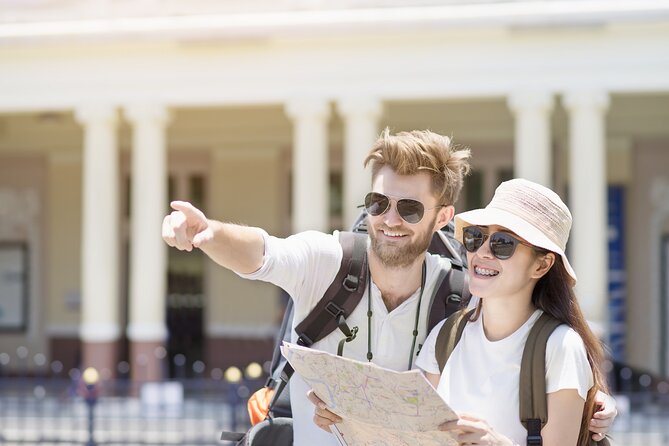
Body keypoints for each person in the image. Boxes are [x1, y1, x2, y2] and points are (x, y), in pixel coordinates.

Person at [162, 129, 616, 446]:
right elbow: (265, 252)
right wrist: (211, 234)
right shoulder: (332, 262)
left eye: (410, 209)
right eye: (378, 202)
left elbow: (536, 354)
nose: (390, 219)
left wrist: (587, 405)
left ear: (441, 218)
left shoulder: (455, 295)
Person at [415, 178, 609, 446]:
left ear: (541, 266)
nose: (482, 252)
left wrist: (494, 442)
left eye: (502, 243)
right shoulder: (445, 338)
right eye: (475, 237)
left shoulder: (560, 347)